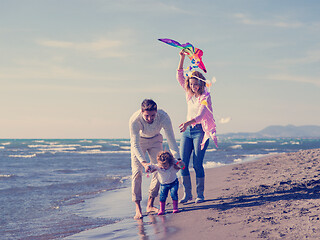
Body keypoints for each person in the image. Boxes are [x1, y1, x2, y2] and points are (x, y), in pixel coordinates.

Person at [176, 50, 217, 204]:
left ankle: (200, 194)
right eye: (191, 84)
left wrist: (187, 122)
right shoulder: (189, 94)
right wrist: (181, 59)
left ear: (201, 83)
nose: (193, 87)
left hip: (200, 131)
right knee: (183, 164)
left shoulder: (205, 96)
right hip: (187, 133)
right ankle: (188, 194)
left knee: (197, 163)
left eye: (196, 84)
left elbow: (200, 116)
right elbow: (180, 76)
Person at [129, 99, 181, 219]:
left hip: (156, 139)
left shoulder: (163, 117)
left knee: (161, 168)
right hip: (139, 142)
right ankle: (138, 208)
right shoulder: (134, 120)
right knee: (137, 172)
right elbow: (135, 144)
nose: (150, 119)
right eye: (147, 116)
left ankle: (150, 205)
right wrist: (144, 163)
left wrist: (177, 159)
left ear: (156, 112)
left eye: (152, 115)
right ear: (142, 112)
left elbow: (171, 139)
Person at [147, 151, 185, 215]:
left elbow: (183, 167)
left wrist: (179, 162)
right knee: (162, 196)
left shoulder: (173, 165)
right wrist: (148, 167)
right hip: (163, 184)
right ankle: (162, 210)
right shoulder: (158, 166)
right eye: (162, 165)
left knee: (174, 194)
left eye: (165, 165)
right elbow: (151, 167)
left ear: (170, 163)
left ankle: (175, 208)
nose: (163, 167)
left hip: (174, 183)